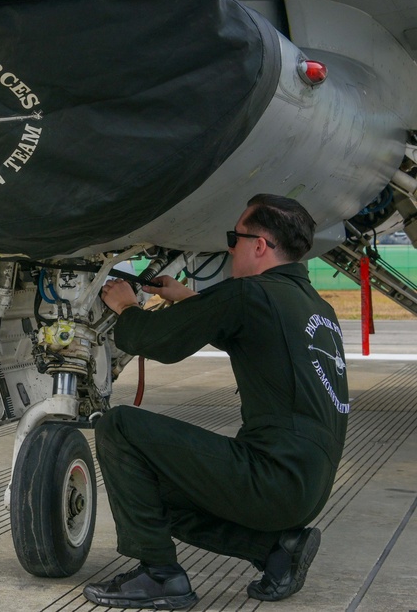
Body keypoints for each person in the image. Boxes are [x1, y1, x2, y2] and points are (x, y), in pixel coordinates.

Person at [87, 194, 349, 610]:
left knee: (118, 426)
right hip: (307, 486)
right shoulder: (314, 306)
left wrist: (127, 308)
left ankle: (160, 575)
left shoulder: (249, 293)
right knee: (150, 496)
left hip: (271, 478)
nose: (230, 248)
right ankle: (277, 549)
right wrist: (185, 297)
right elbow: (245, 330)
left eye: (234, 238)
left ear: (259, 245)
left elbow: (156, 341)